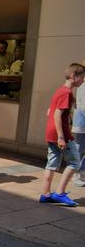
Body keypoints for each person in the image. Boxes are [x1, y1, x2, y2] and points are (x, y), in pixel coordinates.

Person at [39, 63, 85, 207]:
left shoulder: (60, 90)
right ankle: (59, 193)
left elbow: (49, 112)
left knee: (51, 164)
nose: (83, 80)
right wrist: (61, 136)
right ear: (73, 77)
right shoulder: (66, 93)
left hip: (51, 132)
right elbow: (57, 114)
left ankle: (46, 194)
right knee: (74, 163)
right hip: (61, 134)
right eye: (82, 77)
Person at [72, 59, 85, 187]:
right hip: (81, 123)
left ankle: (80, 173)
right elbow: (83, 106)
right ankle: (76, 174)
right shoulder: (83, 85)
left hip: (81, 122)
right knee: (79, 149)